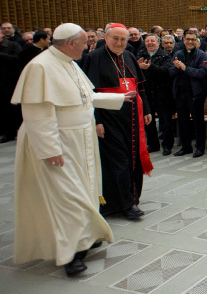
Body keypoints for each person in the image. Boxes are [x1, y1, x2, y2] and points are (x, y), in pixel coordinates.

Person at [11, 23, 130, 276]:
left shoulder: (70, 62)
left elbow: (85, 97)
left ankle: (85, 237)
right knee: (67, 198)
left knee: (86, 189)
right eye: (85, 42)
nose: (89, 46)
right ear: (71, 43)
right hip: (58, 144)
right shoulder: (40, 67)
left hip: (81, 140)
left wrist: (118, 98)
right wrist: (49, 149)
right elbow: (37, 114)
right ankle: (70, 254)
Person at [80, 24, 153, 220]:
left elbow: (140, 87)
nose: (120, 43)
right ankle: (125, 204)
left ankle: (132, 197)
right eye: (116, 39)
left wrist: (146, 109)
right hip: (109, 118)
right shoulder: (93, 58)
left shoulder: (129, 56)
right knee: (118, 161)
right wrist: (97, 121)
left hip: (132, 117)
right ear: (106, 36)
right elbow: (90, 94)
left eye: (123, 39)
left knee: (133, 158)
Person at [170, 30, 207, 157]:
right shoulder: (178, 54)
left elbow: (202, 73)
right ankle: (186, 147)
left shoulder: (202, 55)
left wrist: (185, 68)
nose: (190, 42)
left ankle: (200, 148)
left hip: (195, 94)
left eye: (193, 39)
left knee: (198, 122)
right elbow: (170, 73)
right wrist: (176, 68)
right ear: (183, 40)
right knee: (182, 121)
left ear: (197, 41)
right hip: (180, 93)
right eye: (187, 39)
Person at [137, 34, 175, 156]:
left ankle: (167, 146)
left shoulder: (165, 55)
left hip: (162, 93)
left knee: (166, 122)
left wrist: (150, 67)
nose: (150, 43)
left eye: (152, 41)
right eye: (147, 41)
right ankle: (153, 144)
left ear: (158, 43)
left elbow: (167, 71)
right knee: (149, 121)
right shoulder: (141, 55)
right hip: (147, 93)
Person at [0, 32, 22, 143]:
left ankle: (14, 131)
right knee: (3, 110)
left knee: (13, 110)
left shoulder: (13, 45)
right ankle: (6, 132)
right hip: (1, 84)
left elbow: (18, 59)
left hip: (11, 83)